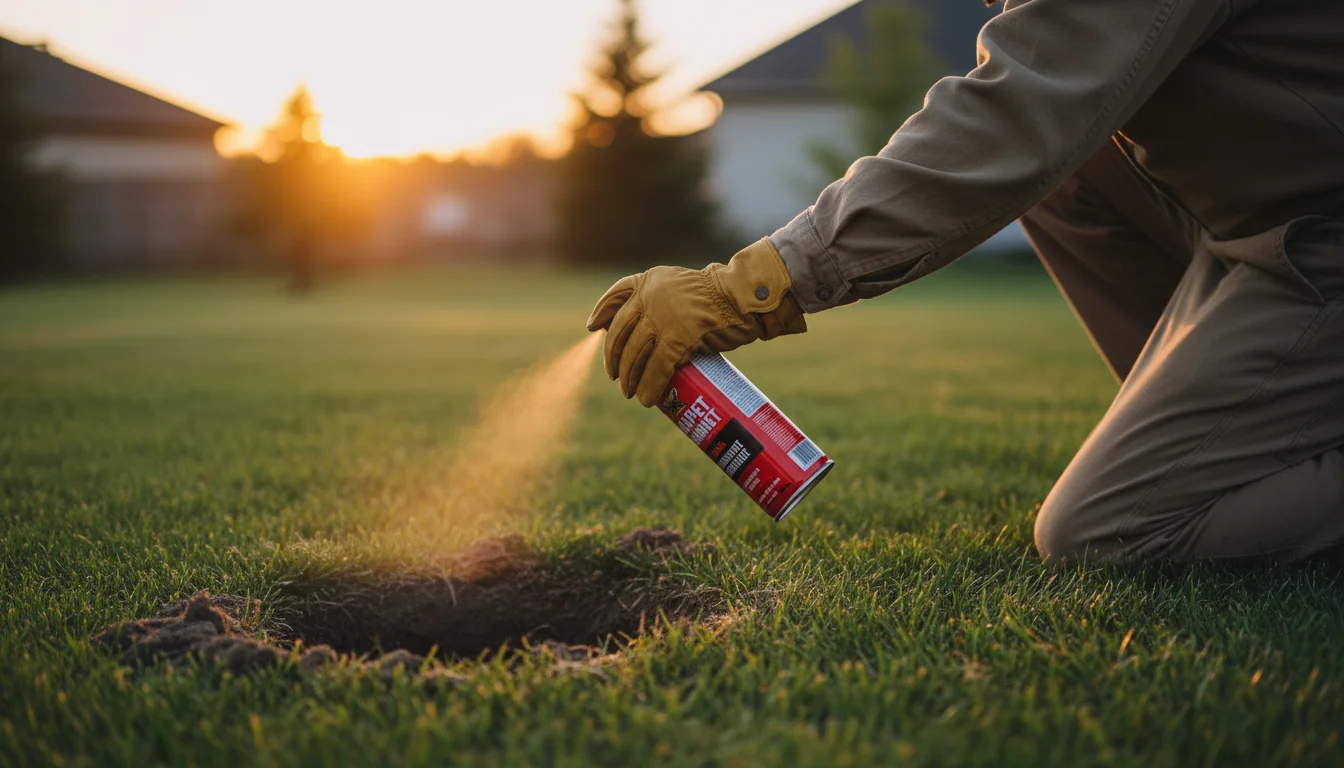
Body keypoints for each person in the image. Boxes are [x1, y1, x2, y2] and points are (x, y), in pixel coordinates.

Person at [586, 0, 1344, 563]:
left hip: (1319, 241)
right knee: (1070, 167)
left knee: (1102, 529)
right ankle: (1240, 424)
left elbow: (1017, 114)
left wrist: (748, 287)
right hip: (1262, 215)